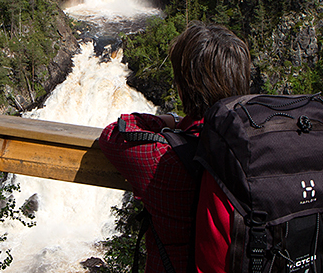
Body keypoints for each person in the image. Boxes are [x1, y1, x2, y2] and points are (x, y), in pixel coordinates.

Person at [99, 21, 251, 273]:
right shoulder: (264, 148)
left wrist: (171, 121)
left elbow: (114, 134)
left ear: (182, 88)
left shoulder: (163, 157)